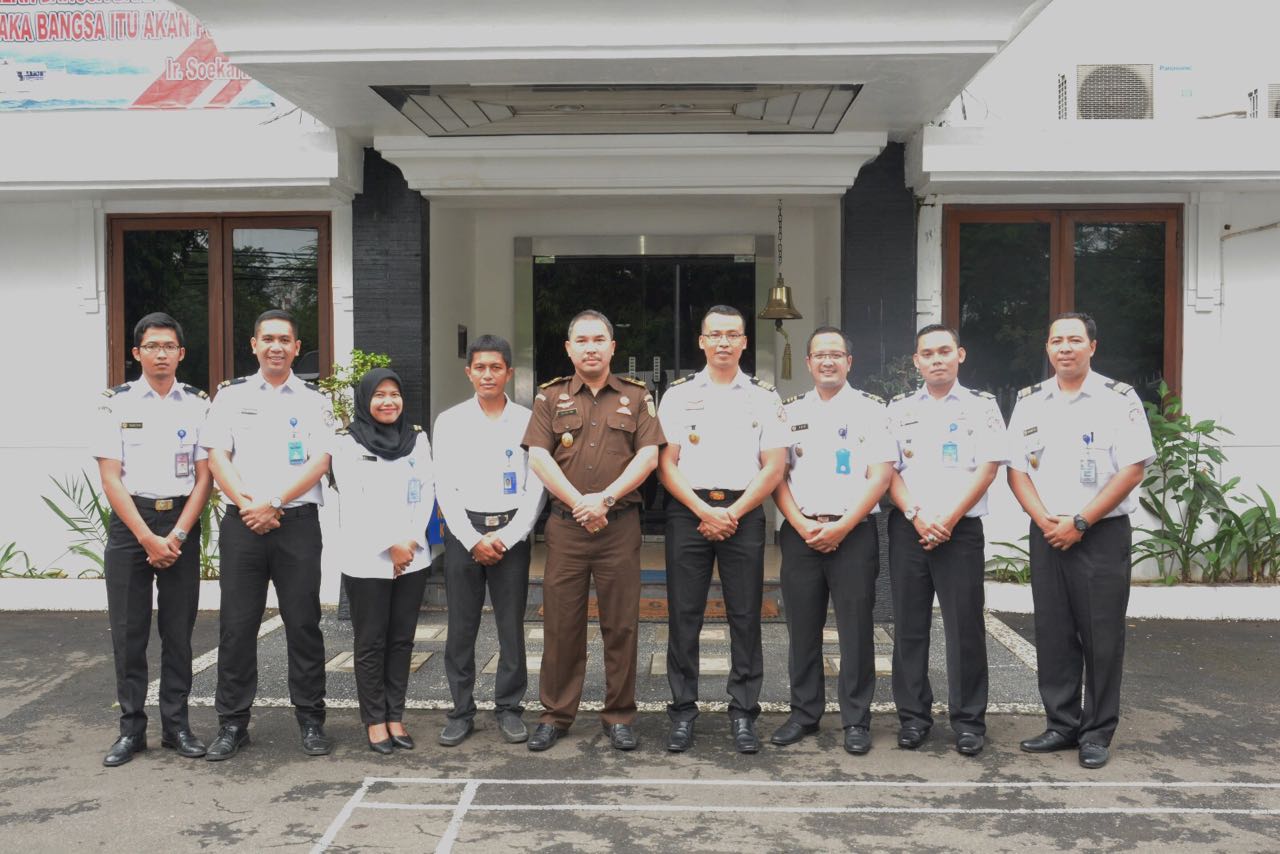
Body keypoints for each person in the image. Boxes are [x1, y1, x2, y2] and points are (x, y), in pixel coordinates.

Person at [1007, 312, 1155, 770]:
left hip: (1100, 534)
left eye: (1074, 340)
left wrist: (1081, 521)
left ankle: (1097, 731)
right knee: (1053, 633)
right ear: (1047, 349)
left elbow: (1133, 468)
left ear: (1092, 346)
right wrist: (1047, 522)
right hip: (1048, 530)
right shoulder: (1030, 401)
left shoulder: (1117, 399)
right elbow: (1017, 470)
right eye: (1056, 341)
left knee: (1101, 635)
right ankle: (1061, 724)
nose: (1065, 348)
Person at [521, 310, 664, 752]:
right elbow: (538, 458)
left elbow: (649, 457)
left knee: (621, 625)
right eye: (581, 340)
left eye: (599, 339)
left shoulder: (638, 397)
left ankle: (619, 715)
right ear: (569, 349)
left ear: (612, 347)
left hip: (619, 526)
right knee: (562, 624)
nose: (590, 347)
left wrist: (603, 499)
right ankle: (556, 714)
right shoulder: (549, 398)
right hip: (566, 528)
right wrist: (579, 503)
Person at [200, 308, 335, 761]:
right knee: (237, 627)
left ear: (297, 348)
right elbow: (218, 456)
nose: (276, 346)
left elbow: (321, 460)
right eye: (268, 339)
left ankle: (312, 721)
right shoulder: (230, 397)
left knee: (303, 624)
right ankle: (232, 724)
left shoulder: (315, 399)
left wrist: (273, 503)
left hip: (295, 525)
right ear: (254, 345)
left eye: (285, 340)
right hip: (243, 526)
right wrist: (248, 505)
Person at [657, 305, 787, 754]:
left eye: (733, 335)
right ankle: (682, 711)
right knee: (683, 614)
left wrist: (732, 512)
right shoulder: (676, 395)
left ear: (745, 342)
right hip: (688, 510)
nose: (724, 342)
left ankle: (744, 713)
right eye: (716, 334)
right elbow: (666, 464)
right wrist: (702, 510)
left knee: (746, 615)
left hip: (744, 511)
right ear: (702, 341)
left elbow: (774, 466)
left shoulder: (764, 396)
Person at [93, 312, 214, 766]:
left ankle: (177, 726)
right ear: (137, 353)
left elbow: (206, 477)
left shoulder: (199, 404)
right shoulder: (115, 403)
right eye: (152, 346)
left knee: (178, 631)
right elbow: (111, 478)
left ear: (181, 354)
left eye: (169, 347)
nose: (161, 354)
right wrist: (147, 538)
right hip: (132, 526)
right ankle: (131, 731)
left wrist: (178, 533)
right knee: (129, 631)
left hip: (181, 521)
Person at [770, 327, 894, 755]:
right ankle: (804, 713)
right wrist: (801, 524)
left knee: (856, 629)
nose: (827, 362)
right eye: (819, 355)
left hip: (854, 532)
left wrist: (842, 526)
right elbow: (776, 476)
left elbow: (881, 477)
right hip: (800, 532)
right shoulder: (788, 412)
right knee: (801, 627)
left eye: (836, 355)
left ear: (849, 363)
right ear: (807, 363)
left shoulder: (872, 411)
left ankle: (856, 719)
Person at [886, 324, 1006, 756]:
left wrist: (948, 519)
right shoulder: (897, 409)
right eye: (927, 353)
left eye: (944, 351)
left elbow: (988, 468)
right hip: (909, 528)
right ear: (916, 362)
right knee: (909, 627)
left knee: (965, 628)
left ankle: (969, 721)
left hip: (960, 531)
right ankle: (914, 718)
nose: (936, 359)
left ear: (960, 355)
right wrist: (918, 516)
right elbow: (889, 471)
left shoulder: (982, 407)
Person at [433, 335, 546, 747]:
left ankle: (509, 707)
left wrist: (509, 535)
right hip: (465, 535)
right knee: (460, 627)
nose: (487, 374)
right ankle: (461, 710)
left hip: (511, 535)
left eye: (495, 367)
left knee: (511, 626)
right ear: (468, 372)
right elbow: (443, 484)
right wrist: (470, 538)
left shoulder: (527, 420)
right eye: (479, 367)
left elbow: (537, 485)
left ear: (509, 373)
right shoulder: (450, 421)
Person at [330, 368, 435, 754]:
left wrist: (408, 542)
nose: (388, 401)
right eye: (379, 395)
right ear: (365, 400)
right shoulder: (346, 442)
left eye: (394, 393)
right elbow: (354, 501)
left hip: (412, 557)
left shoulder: (417, 438)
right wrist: (390, 544)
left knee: (402, 641)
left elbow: (426, 491)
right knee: (371, 641)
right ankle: (374, 721)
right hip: (367, 558)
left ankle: (396, 715)